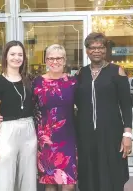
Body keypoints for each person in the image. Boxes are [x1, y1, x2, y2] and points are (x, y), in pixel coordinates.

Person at [75, 32, 132, 191]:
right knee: (89, 173)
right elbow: (74, 102)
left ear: (105, 50)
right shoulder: (81, 74)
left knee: (111, 173)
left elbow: (126, 105)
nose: (96, 51)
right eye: (92, 47)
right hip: (86, 135)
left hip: (111, 134)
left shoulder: (116, 72)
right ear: (87, 51)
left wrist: (127, 135)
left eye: (100, 47)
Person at [0, 40, 37, 191]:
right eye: (13, 54)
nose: (17, 58)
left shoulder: (29, 80)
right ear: (6, 57)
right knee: (4, 178)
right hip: (7, 131)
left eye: (20, 54)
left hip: (29, 130)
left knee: (28, 179)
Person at [32, 44, 77, 191]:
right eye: (51, 58)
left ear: (64, 61)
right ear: (46, 61)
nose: (55, 61)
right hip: (46, 138)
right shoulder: (37, 82)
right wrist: (3, 115)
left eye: (59, 58)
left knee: (69, 183)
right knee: (49, 181)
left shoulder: (73, 82)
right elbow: (27, 106)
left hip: (68, 136)